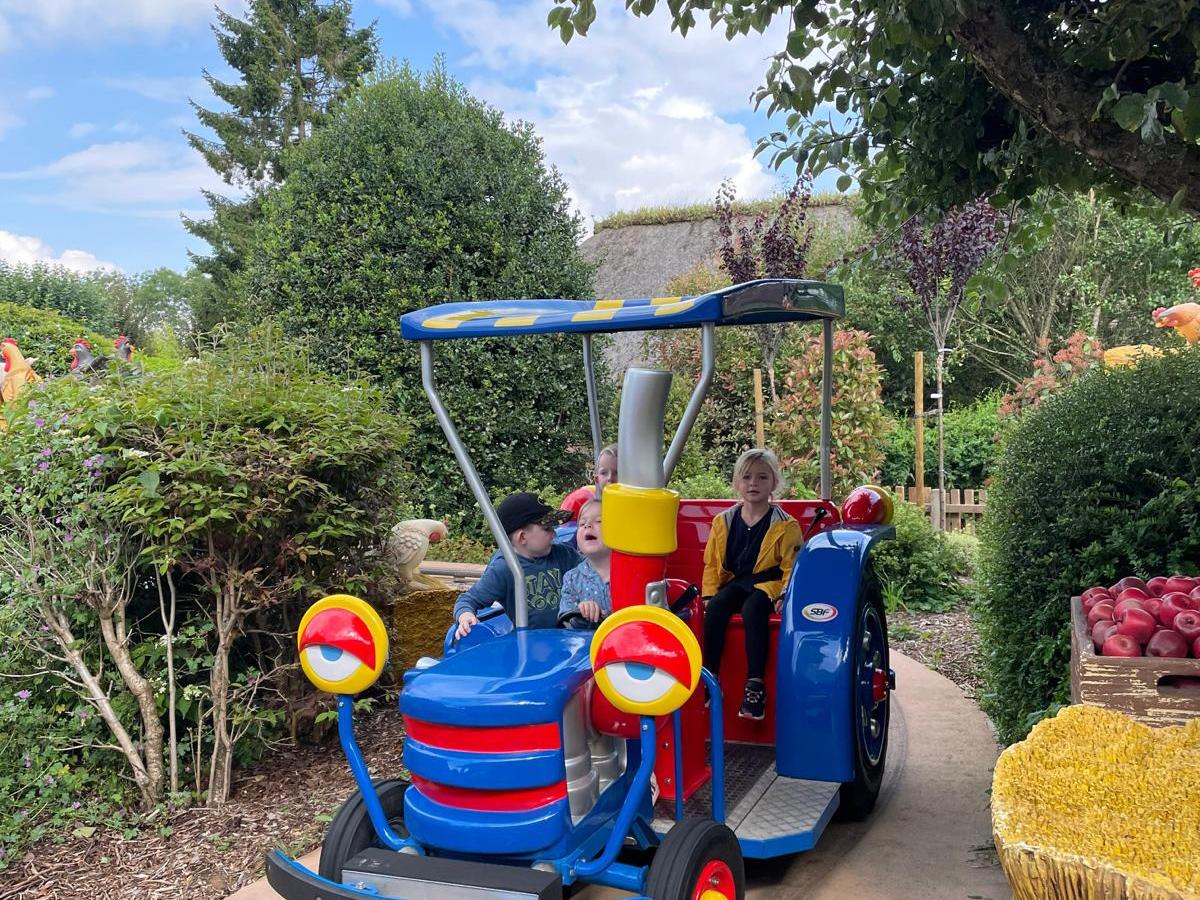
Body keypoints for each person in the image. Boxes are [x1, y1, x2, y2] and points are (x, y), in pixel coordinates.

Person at [701, 448, 801, 721]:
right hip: (736, 582)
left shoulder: (785, 525)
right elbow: (711, 563)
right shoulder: (723, 521)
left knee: (754, 608)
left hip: (768, 583)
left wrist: (785, 594)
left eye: (762, 477)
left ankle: (755, 686)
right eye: (746, 477)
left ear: (774, 484)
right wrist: (709, 594)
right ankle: (710, 678)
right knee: (718, 606)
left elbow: (792, 566)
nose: (753, 483)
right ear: (737, 483)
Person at [453, 492, 581, 636]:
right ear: (522, 537)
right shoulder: (504, 569)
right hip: (530, 645)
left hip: (571, 639)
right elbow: (468, 599)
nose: (554, 534)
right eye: (547, 528)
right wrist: (465, 615)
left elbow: (593, 572)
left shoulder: (564, 554)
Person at [557, 499, 611, 629]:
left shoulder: (632, 573)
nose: (587, 525)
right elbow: (565, 621)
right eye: (582, 524)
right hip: (587, 646)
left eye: (599, 521)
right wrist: (581, 614)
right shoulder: (571, 578)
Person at [557, 445, 618, 546]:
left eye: (617, 472)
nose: (610, 478)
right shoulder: (592, 510)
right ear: (597, 479)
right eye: (604, 473)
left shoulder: (634, 507)